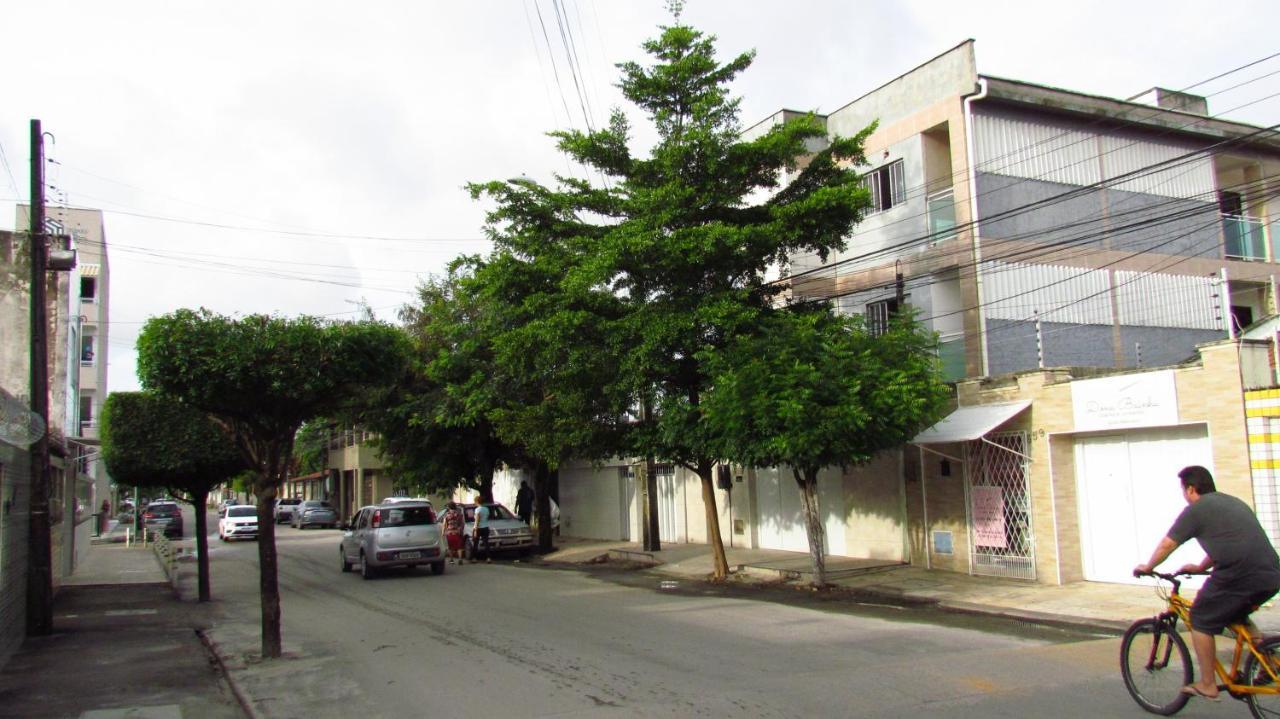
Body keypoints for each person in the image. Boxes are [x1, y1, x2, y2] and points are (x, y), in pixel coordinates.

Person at [1134, 465, 1280, 701]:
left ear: (1191, 489)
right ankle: (1270, 661)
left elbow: (1168, 544)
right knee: (1235, 614)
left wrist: (1148, 567)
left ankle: (1207, 684)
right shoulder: (1233, 502)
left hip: (1240, 574)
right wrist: (1202, 568)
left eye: (1183, 490)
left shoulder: (1196, 510)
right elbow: (1230, 540)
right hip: (1271, 574)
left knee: (1201, 617)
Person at [472, 495, 492, 563]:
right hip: (486, 527)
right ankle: (488, 558)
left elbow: (477, 520)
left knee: (475, 543)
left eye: (475, 502)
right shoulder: (486, 509)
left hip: (479, 528)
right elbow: (487, 517)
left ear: (477, 501)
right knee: (486, 543)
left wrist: (475, 530)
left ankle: (474, 558)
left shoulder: (478, 509)